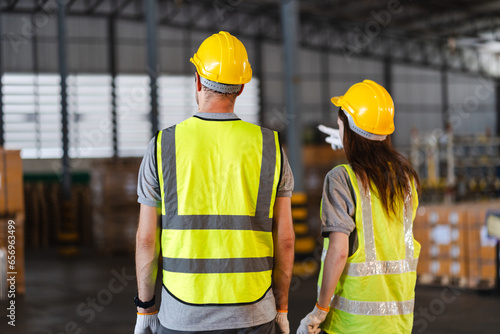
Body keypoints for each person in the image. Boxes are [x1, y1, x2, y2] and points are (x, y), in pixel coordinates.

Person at [134, 31, 295, 334]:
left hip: (182, 314)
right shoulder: (271, 147)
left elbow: (146, 240)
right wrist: (282, 308)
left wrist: (145, 309)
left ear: (197, 80)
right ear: (242, 87)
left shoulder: (162, 146)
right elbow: (285, 239)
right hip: (254, 312)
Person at [297, 80, 421, 334]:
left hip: (352, 325)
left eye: (341, 126)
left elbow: (339, 251)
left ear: (349, 131)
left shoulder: (341, 179)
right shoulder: (406, 180)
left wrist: (320, 310)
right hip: (398, 323)